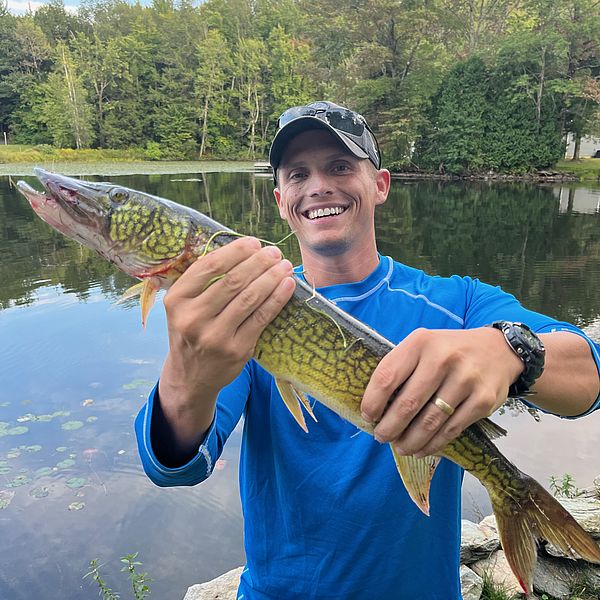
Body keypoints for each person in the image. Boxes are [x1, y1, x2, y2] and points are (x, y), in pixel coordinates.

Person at [135, 101, 600, 599]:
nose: (318, 186)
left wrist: (511, 349)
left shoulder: (458, 302)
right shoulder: (246, 311)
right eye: (298, 174)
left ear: (380, 184)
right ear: (279, 199)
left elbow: (590, 372)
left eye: (340, 166)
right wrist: (186, 370)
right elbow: (178, 464)